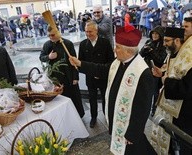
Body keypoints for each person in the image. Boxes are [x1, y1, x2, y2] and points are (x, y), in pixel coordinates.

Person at [69, 25, 156, 155]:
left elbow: (142, 108)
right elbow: (102, 69)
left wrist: (132, 134)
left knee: (135, 150)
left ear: (128, 51)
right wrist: (80, 64)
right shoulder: (118, 62)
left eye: (118, 47)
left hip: (129, 128)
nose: (115, 50)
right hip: (117, 119)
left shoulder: (142, 73)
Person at [150, 27, 192, 155]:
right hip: (168, 111)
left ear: (177, 41)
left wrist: (165, 81)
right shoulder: (172, 53)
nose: (164, 44)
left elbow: (186, 88)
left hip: (183, 114)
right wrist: (161, 73)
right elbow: (170, 72)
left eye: (167, 41)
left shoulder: (189, 60)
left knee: (180, 146)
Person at [39, 26, 85, 118]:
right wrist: (49, 57)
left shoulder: (68, 44)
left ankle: (78, 116)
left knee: (74, 97)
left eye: (53, 35)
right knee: (60, 99)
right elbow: (41, 57)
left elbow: (74, 61)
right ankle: (65, 117)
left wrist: (75, 77)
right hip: (55, 78)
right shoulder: (47, 45)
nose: (51, 37)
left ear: (58, 33)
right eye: (49, 35)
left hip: (68, 76)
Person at [78, 21, 114, 128]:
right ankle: (93, 117)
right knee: (92, 98)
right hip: (90, 78)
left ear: (96, 30)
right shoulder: (83, 44)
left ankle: (106, 115)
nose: (88, 34)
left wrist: (101, 72)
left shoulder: (105, 43)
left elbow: (111, 61)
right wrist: (92, 73)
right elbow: (81, 63)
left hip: (103, 77)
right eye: (86, 31)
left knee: (105, 97)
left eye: (90, 31)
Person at [140, 25, 167, 115]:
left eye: (157, 34)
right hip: (146, 70)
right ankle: (145, 107)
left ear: (160, 35)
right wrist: (144, 49)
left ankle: (154, 109)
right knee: (146, 90)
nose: (154, 35)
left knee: (155, 92)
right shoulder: (148, 41)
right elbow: (140, 55)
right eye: (153, 33)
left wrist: (151, 51)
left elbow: (160, 59)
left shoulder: (163, 45)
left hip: (156, 72)